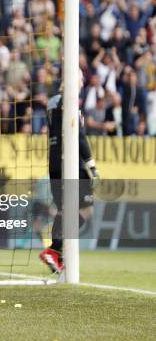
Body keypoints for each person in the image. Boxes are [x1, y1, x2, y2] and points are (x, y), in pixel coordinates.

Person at [40, 75, 99, 273]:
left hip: (56, 161)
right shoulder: (65, 102)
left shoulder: (54, 103)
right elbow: (79, 136)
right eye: (80, 78)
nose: (82, 82)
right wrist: (91, 164)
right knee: (81, 208)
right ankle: (55, 250)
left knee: (67, 208)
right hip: (69, 161)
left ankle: (55, 252)